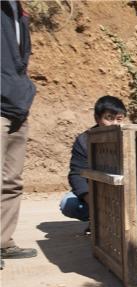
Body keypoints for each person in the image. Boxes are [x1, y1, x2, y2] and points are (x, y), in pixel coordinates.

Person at [1, 0, 37, 268]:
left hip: (17, 105)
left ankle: (3, 242)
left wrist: (25, 90)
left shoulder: (20, 11)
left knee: (12, 180)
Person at [59, 96, 127, 233]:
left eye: (119, 119)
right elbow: (76, 174)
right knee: (68, 203)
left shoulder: (128, 137)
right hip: (97, 193)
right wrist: (92, 200)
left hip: (123, 193)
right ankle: (96, 220)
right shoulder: (84, 140)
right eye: (109, 118)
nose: (114, 124)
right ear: (97, 118)